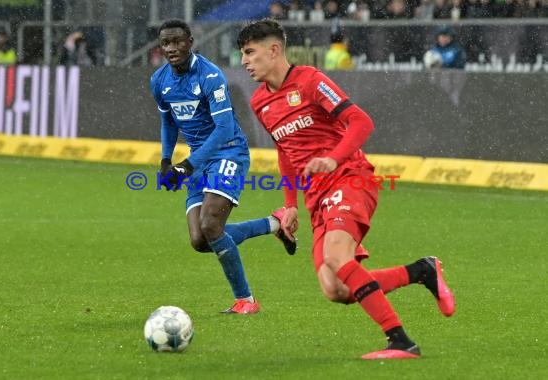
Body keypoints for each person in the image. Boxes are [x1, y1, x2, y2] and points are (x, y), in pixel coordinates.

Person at [237, 19, 456, 359]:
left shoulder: (311, 81)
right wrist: (289, 205)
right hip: (316, 197)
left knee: (337, 257)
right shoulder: (259, 102)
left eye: (250, 52)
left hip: (349, 178)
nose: (245, 62)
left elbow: (361, 121)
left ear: (274, 50)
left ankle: (401, 341)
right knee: (335, 288)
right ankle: (421, 271)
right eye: (243, 55)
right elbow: (285, 150)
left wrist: (333, 159)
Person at [149, 19, 297, 314]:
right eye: (166, 43)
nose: (172, 48)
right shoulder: (159, 81)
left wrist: (188, 165)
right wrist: (166, 161)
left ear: (190, 42)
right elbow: (168, 121)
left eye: (178, 41)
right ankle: (274, 224)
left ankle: (246, 300)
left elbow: (225, 129)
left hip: (228, 152)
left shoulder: (210, 76)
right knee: (200, 240)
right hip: (198, 159)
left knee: (211, 224)